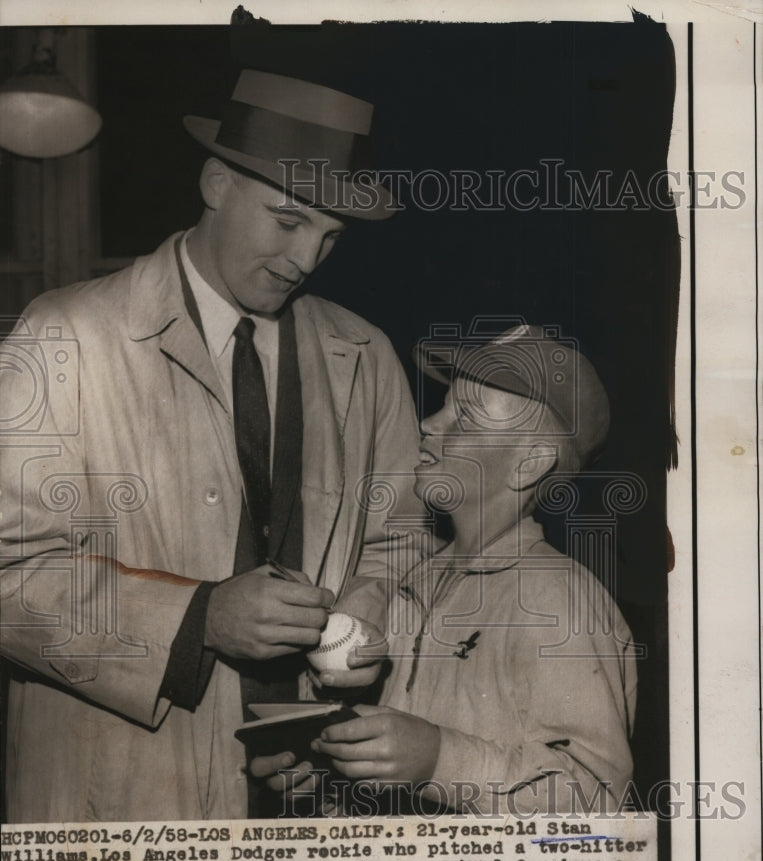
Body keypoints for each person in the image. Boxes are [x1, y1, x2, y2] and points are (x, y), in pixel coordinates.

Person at [0, 68, 423, 822]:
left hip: (303, 787)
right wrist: (198, 619)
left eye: (329, 236)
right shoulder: (61, 336)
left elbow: (400, 537)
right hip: (120, 792)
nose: (304, 260)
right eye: (287, 222)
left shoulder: (365, 352)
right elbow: (9, 575)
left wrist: (354, 629)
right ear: (217, 182)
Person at [287, 326, 638, 816]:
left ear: (529, 463)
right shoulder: (413, 582)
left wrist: (438, 759)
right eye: (442, 405)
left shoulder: (559, 600)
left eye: (465, 419)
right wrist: (320, 767)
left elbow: (597, 800)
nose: (430, 424)